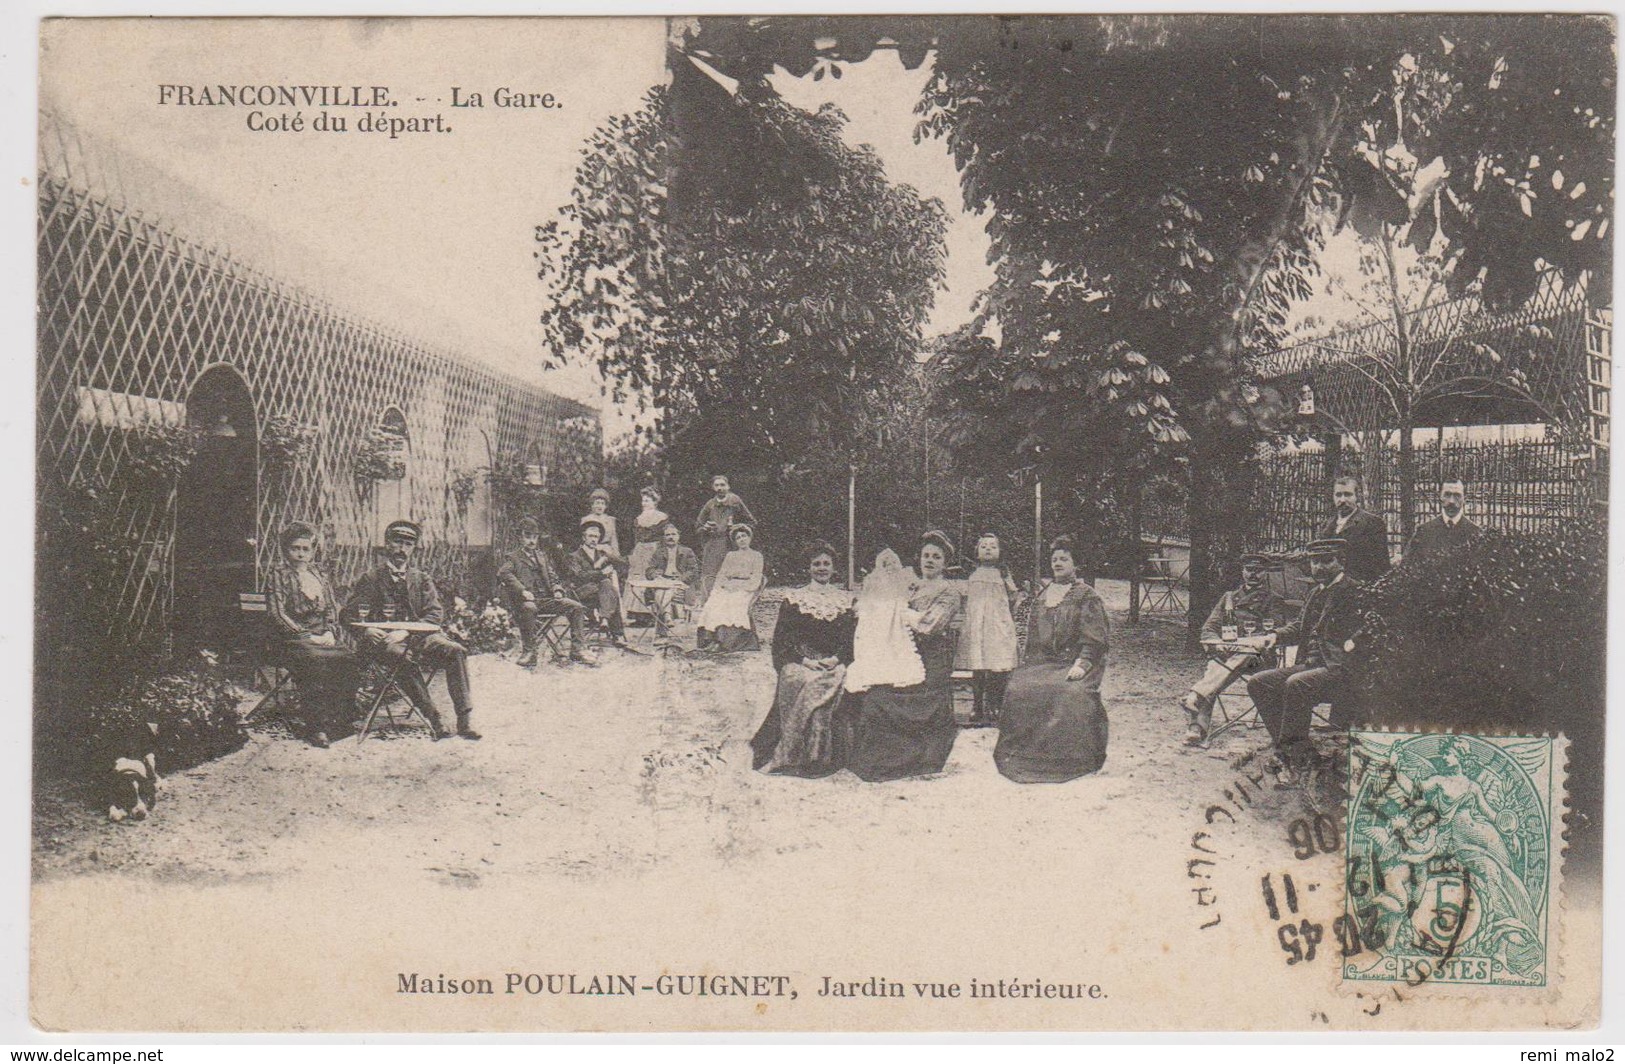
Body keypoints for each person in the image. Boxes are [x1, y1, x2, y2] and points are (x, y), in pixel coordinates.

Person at [343, 519, 480, 741]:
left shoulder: (421, 579)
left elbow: (435, 614)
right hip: (385, 642)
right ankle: (434, 719)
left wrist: (408, 632)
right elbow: (348, 615)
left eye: (408, 544)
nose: (401, 549)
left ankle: (464, 721)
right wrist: (366, 632)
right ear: (387, 545)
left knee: (455, 650)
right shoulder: (372, 578)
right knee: (401, 658)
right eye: (397, 543)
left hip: (418, 637)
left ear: (414, 548)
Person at [847, 531, 963, 782]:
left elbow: (929, 626)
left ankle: (911, 758)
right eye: (925, 556)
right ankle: (877, 757)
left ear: (945, 563)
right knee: (874, 692)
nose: (929, 561)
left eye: (936, 557)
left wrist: (894, 616)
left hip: (932, 657)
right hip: (898, 653)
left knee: (897, 697)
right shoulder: (909, 584)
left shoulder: (948, 592)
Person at [994, 535, 1110, 784]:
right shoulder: (1045, 594)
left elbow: (1095, 639)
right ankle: (1026, 757)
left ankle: (1069, 760)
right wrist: (1029, 665)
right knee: (1020, 687)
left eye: (1064, 559)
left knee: (1069, 693)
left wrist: (1082, 664)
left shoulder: (1086, 596)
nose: (1058, 563)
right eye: (1054, 559)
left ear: (1075, 564)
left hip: (1076, 661)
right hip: (1045, 662)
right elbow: (1034, 638)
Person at [1246, 537, 1362, 784]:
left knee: (1296, 684)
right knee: (1258, 682)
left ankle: (1293, 761)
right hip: (1312, 665)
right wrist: (1274, 636)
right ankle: (1297, 752)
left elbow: (1369, 628)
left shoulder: (1354, 591)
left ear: (1340, 563)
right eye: (1314, 562)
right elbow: (1299, 626)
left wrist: (1353, 643)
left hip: (1341, 669)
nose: (1318, 567)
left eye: (1326, 561)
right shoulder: (1315, 592)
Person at [750, 542, 857, 776]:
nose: (821, 568)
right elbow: (782, 641)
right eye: (816, 563)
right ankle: (790, 751)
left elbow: (851, 640)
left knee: (830, 683)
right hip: (802, 660)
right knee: (793, 677)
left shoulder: (845, 600)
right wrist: (804, 660)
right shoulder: (795, 599)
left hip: (833, 663)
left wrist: (836, 659)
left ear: (833, 568)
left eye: (826, 563)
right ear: (809, 568)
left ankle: (817, 757)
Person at [1178, 552, 1287, 746]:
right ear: (1243, 572)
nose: (1253, 575)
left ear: (1266, 573)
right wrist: (1217, 642)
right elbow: (1209, 628)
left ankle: (1196, 695)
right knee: (1215, 666)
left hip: (1258, 659)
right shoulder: (1229, 597)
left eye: (1258, 571)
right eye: (1249, 570)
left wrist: (1250, 641)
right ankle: (1197, 727)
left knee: (1235, 658)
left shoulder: (1273, 599)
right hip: (1227, 654)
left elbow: (1273, 632)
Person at [265, 522, 357, 748]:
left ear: (313, 550)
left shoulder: (318, 574)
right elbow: (277, 613)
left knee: (348, 657)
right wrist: (305, 635)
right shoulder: (279, 574)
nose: (300, 553)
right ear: (286, 550)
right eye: (295, 548)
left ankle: (340, 722)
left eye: (306, 549)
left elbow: (331, 608)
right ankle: (317, 727)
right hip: (292, 638)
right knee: (315, 661)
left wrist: (329, 631)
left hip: (321, 636)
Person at [497, 516, 594, 667]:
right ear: (520, 537)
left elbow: (553, 576)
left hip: (546, 600)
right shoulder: (513, 558)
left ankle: (578, 650)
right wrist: (522, 591)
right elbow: (504, 573)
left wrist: (557, 590)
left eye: (534, 537)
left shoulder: (542, 557)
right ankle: (529, 652)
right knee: (529, 608)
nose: (532, 541)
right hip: (526, 602)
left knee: (577, 607)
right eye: (527, 536)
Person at [954, 531, 1021, 727]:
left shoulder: (1003, 573)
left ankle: (995, 705)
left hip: (997, 627)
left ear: (1000, 551)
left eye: (993, 546)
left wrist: (1002, 616)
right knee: (979, 667)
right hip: (977, 628)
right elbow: (966, 597)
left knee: (997, 667)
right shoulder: (973, 574)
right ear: (977, 552)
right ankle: (977, 706)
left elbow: (1013, 596)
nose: (988, 550)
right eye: (984, 546)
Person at [694, 523, 765, 652]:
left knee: (732, 603)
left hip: (745, 588)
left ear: (749, 538)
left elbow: (756, 578)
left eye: (744, 536)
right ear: (735, 541)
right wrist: (723, 587)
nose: (742, 539)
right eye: (738, 538)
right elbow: (722, 575)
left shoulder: (757, 556)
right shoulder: (731, 555)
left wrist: (740, 586)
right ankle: (711, 639)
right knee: (714, 603)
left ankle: (725, 642)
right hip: (728, 586)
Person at [564, 518, 628, 649]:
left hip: (600, 596)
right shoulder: (574, 556)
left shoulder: (602, 555)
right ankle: (616, 633)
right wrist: (601, 573)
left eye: (596, 537)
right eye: (591, 536)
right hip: (582, 593)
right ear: (584, 537)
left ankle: (605, 621)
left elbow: (624, 565)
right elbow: (579, 576)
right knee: (609, 588)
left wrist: (608, 557)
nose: (594, 539)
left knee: (609, 589)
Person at [694, 475, 755, 608]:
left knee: (731, 575)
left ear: (728, 486)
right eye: (717, 485)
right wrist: (705, 528)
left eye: (722, 485)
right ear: (712, 487)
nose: (720, 488)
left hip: (731, 545)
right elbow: (698, 526)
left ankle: (732, 607)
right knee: (710, 577)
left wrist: (737, 528)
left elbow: (751, 522)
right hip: (713, 546)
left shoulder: (735, 501)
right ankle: (709, 609)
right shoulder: (710, 504)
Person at [1318, 475, 1390, 584]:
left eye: (1348, 495)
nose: (1342, 500)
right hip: (1330, 587)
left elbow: (1381, 566)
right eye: (1338, 495)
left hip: (1359, 588)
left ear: (1357, 496)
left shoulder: (1373, 523)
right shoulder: (1326, 526)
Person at [1404, 477, 1481, 566]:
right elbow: (1408, 569)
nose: (1451, 501)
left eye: (1457, 495)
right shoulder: (1424, 532)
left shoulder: (1475, 534)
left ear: (1465, 499)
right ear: (1440, 496)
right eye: (1447, 495)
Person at [621, 487, 669, 620]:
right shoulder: (638, 519)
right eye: (643, 501)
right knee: (637, 580)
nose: (644, 504)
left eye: (647, 501)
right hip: (639, 552)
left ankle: (653, 615)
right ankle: (638, 616)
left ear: (655, 502)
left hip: (654, 550)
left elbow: (664, 537)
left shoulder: (661, 517)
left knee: (651, 579)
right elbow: (636, 538)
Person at [644, 521, 701, 625]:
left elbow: (693, 571)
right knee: (662, 591)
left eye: (673, 534)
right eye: (667, 535)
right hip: (663, 581)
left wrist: (681, 578)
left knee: (663, 592)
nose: (671, 537)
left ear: (678, 536)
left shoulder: (687, 551)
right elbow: (649, 570)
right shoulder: (658, 552)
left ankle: (665, 619)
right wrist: (654, 574)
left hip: (681, 583)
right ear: (664, 538)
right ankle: (667, 617)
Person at [579, 487, 621, 556]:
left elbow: (613, 540)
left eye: (602, 503)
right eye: (597, 503)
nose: (600, 506)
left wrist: (616, 553)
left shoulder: (610, 520)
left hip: (607, 551)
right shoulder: (586, 519)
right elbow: (583, 540)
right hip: (591, 550)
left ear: (605, 506)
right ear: (592, 505)